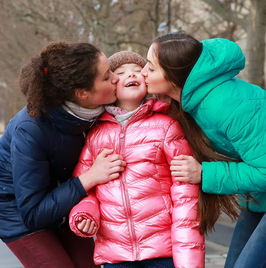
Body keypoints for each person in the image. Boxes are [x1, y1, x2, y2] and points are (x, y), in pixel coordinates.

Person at [141, 32, 266, 268]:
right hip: (262, 189)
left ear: (174, 77)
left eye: (150, 68)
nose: (143, 73)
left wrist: (203, 173)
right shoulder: (191, 101)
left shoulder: (229, 105)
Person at [0, 41, 126, 268]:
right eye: (106, 77)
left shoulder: (97, 110)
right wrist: (91, 177)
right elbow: (33, 213)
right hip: (14, 205)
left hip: (59, 193)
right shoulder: (32, 130)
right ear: (82, 93)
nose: (116, 78)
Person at [68, 51, 205, 268]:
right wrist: (86, 213)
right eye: (121, 72)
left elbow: (186, 196)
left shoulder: (167, 126)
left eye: (138, 71)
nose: (132, 75)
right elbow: (84, 185)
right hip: (116, 254)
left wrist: (188, 260)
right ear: (111, 84)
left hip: (163, 252)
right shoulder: (95, 134)